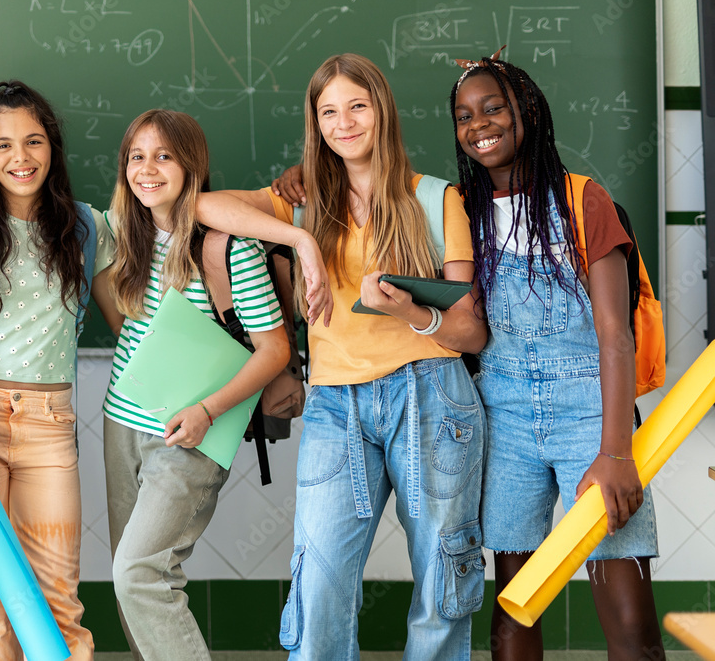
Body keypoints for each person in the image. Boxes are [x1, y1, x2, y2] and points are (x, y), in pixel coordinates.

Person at [249, 53, 489, 659]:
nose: (344, 122)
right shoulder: (303, 205)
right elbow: (196, 206)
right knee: (321, 581)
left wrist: (408, 309)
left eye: (357, 105)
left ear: (381, 110)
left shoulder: (436, 199)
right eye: (328, 111)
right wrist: (300, 238)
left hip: (432, 396)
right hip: (336, 405)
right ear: (315, 124)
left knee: (442, 577)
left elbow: (471, 331)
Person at [450, 53, 664, 660]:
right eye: (465, 116)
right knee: (516, 604)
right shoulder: (461, 213)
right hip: (504, 417)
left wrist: (615, 451)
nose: (479, 124)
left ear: (529, 113)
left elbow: (614, 336)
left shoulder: (583, 200)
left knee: (629, 622)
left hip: (590, 416)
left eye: (494, 108)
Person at [0, 80, 119, 661]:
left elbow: (127, 320)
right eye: (3, 145)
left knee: (58, 598)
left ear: (52, 148)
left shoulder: (85, 227)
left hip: (50, 425)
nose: (20, 157)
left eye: (33, 142)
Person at [101, 108, 292, 661]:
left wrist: (207, 410)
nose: (147, 169)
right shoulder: (124, 233)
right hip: (122, 422)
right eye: (137, 156)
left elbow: (274, 349)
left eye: (164, 156)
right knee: (130, 581)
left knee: (140, 573)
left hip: (188, 434)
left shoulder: (226, 246)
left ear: (192, 165)